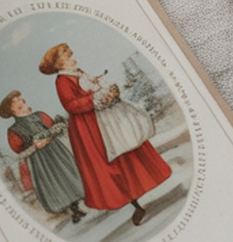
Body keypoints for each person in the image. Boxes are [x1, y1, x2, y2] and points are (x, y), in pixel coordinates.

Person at [38, 43, 171, 227]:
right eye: (67, 56)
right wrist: (94, 97)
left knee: (125, 150)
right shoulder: (62, 81)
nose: (72, 57)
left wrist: (103, 89)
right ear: (59, 64)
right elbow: (72, 106)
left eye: (70, 54)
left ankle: (139, 192)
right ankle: (135, 204)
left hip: (101, 118)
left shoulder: (77, 72)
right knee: (110, 163)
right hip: (88, 128)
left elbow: (90, 89)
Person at [0, 89, 85, 224]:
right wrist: (35, 146)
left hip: (56, 151)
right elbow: (20, 152)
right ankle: (74, 210)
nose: (19, 102)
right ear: (11, 110)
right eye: (14, 102)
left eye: (19, 99)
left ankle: (86, 200)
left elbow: (54, 129)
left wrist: (50, 137)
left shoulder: (39, 115)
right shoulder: (13, 131)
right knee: (53, 181)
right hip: (40, 160)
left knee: (68, 172)